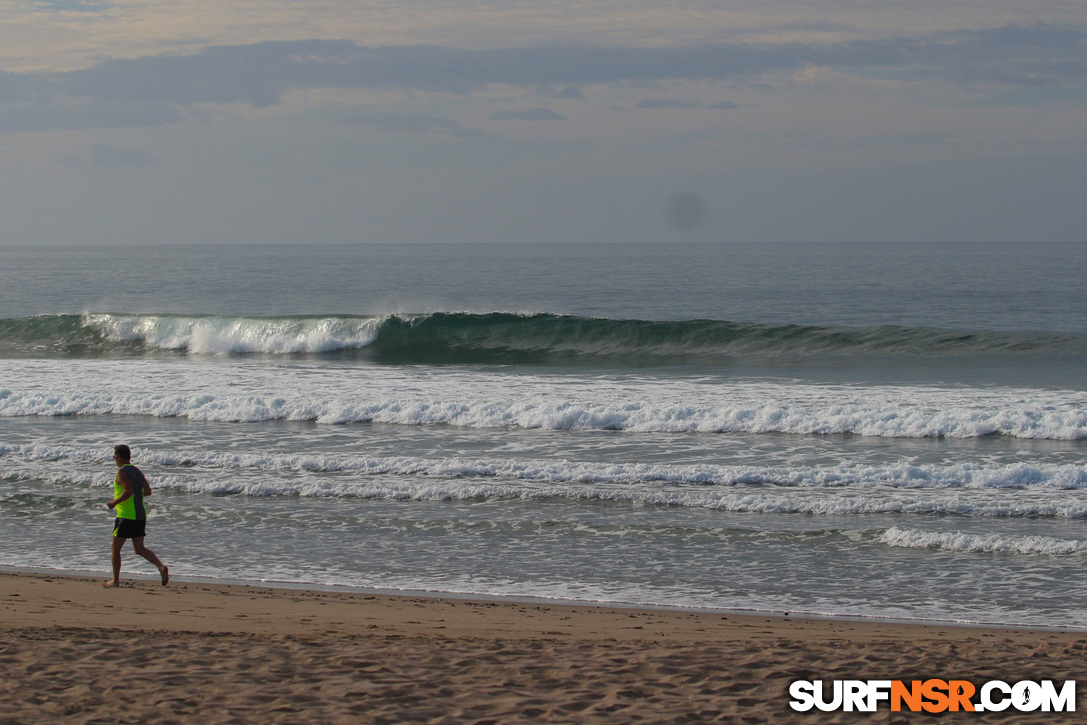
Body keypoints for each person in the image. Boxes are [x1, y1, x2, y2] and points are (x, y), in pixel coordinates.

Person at [104, 444, 169, 587]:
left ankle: (115, 581)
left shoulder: (122, 473)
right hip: (140, 515)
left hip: (126, 516)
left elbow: (128, 491)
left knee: (115, 549)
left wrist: (114, 503)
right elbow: (147, 491)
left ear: (119, 457)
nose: (114, 459)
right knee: (139, 549)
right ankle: (160, 567)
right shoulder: (137, 472)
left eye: (114, 456)